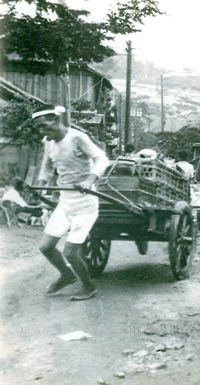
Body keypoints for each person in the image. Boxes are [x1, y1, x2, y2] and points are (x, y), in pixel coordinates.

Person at [33, 105, 110, 301]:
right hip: (65, 202)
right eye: (39, 129)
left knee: (70, 252)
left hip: (85, 203)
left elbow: (102, 158)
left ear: (56, 120)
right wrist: (40, 185)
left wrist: (89, 180)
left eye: (44, 127)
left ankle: (88, 286)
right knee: (46, 247)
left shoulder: (77, 137)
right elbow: (47, 167)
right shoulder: (48, 142)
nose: (42, 132)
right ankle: (67, 275)